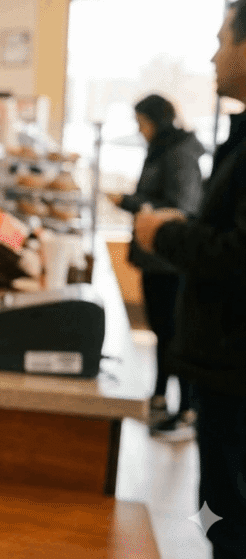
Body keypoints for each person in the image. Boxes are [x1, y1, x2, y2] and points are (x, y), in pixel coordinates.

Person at [133, 3, 246, 556]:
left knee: (229, 517)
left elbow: (236, 252)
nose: (213, 54)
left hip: (234, 370)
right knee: (218, 513)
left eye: (223, 39)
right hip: (221, 366)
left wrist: (166, 233)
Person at [107, 94, 203, 441]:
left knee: (175, 335)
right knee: (162, 333)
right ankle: (160, 396)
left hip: (170, 262)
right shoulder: (162, 150)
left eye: (142, 123)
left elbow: (180, 207)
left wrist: (130, 202)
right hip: (155, 258)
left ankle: (187, 409)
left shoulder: (179, 154)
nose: (140, 130)